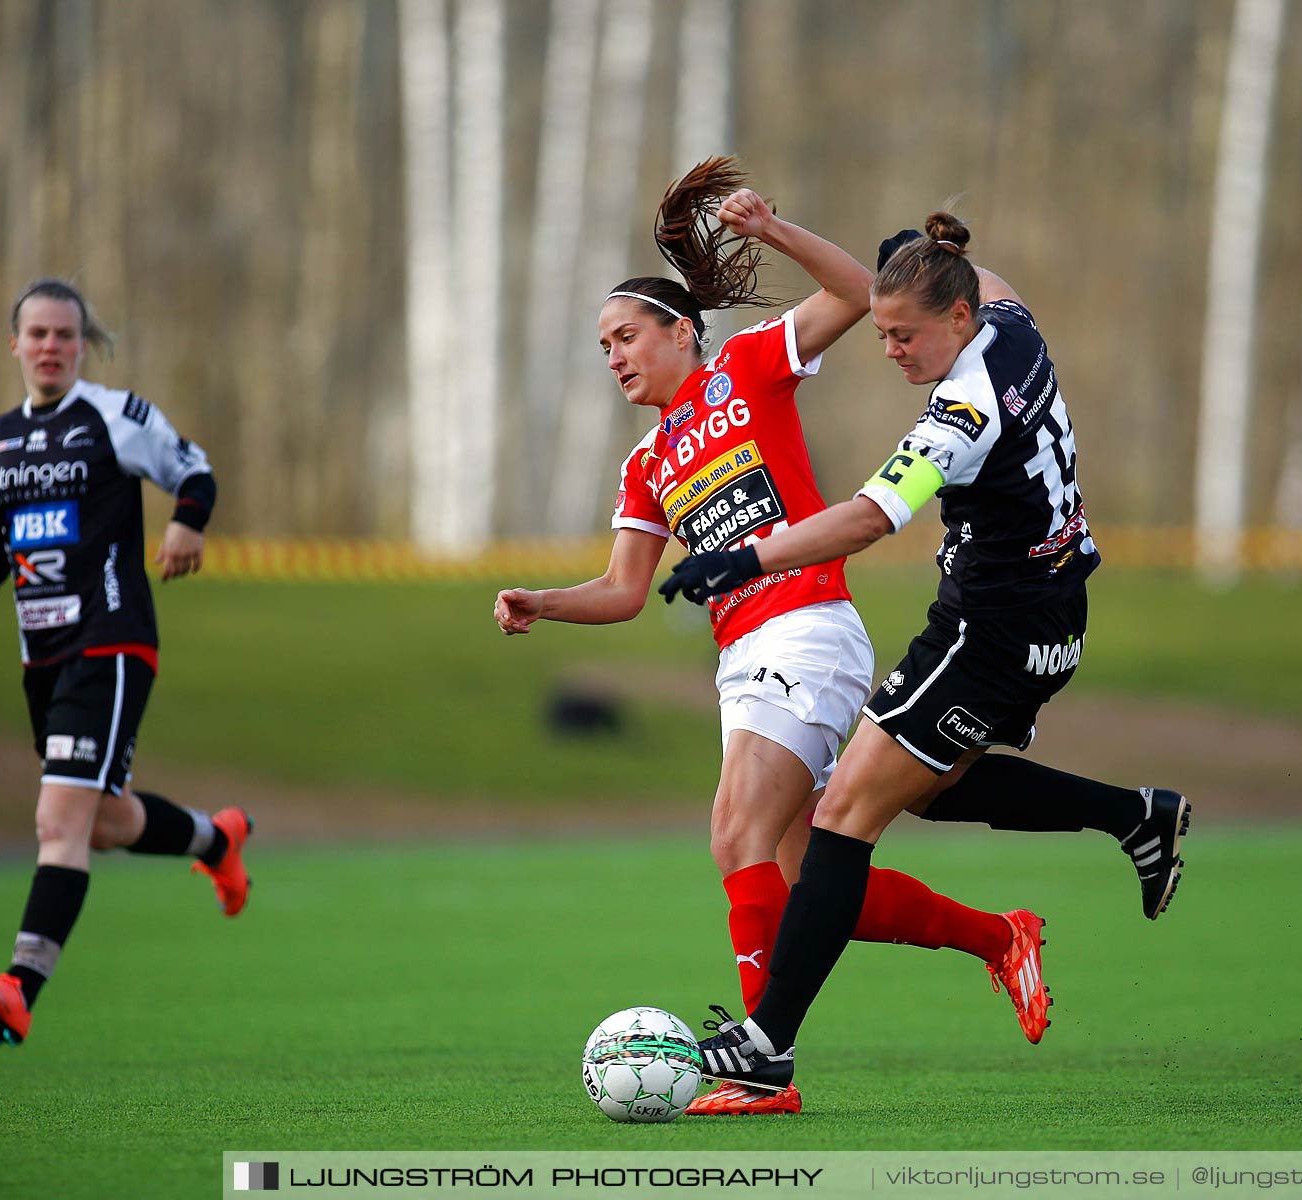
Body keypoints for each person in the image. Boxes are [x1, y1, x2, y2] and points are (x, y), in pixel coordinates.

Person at [494, 162, 1045, 1116]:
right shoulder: (644, 463)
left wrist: (773, 229)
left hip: (807, 629)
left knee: (733, 831)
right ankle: (1002, 937)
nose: (616, 357)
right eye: (603, 348)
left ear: (681, 332)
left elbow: (851, 294)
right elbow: (626, 592)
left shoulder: (745, 367)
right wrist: (544, 600)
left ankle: (759, 1071)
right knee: (799, 883)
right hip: (743, 659)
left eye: (627, 337)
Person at [660, 215, 1192, 1096]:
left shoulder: (964, 409)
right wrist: (921, 258)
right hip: (1040, 610)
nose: (892, 350)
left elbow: (869, 518)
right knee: (932, 788)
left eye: (905, 333)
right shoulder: (1010, 323)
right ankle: (1138, 817)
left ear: (953, 316)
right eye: (879, 332)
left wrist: (745, 556)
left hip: (995, 627)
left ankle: (766, 1043)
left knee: (842, 820)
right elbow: (998, 276)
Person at [0, 279, 250, 1048]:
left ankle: (20, 985)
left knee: (56, 820)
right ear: (14, 344)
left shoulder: (113, 416)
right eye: (36, 334)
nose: (50, 347)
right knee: (102, 822)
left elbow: (195, 468)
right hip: (41, 657)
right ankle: (218, 839)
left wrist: (186, 524)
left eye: (64, 335)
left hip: (109, 643)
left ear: (82, 345)